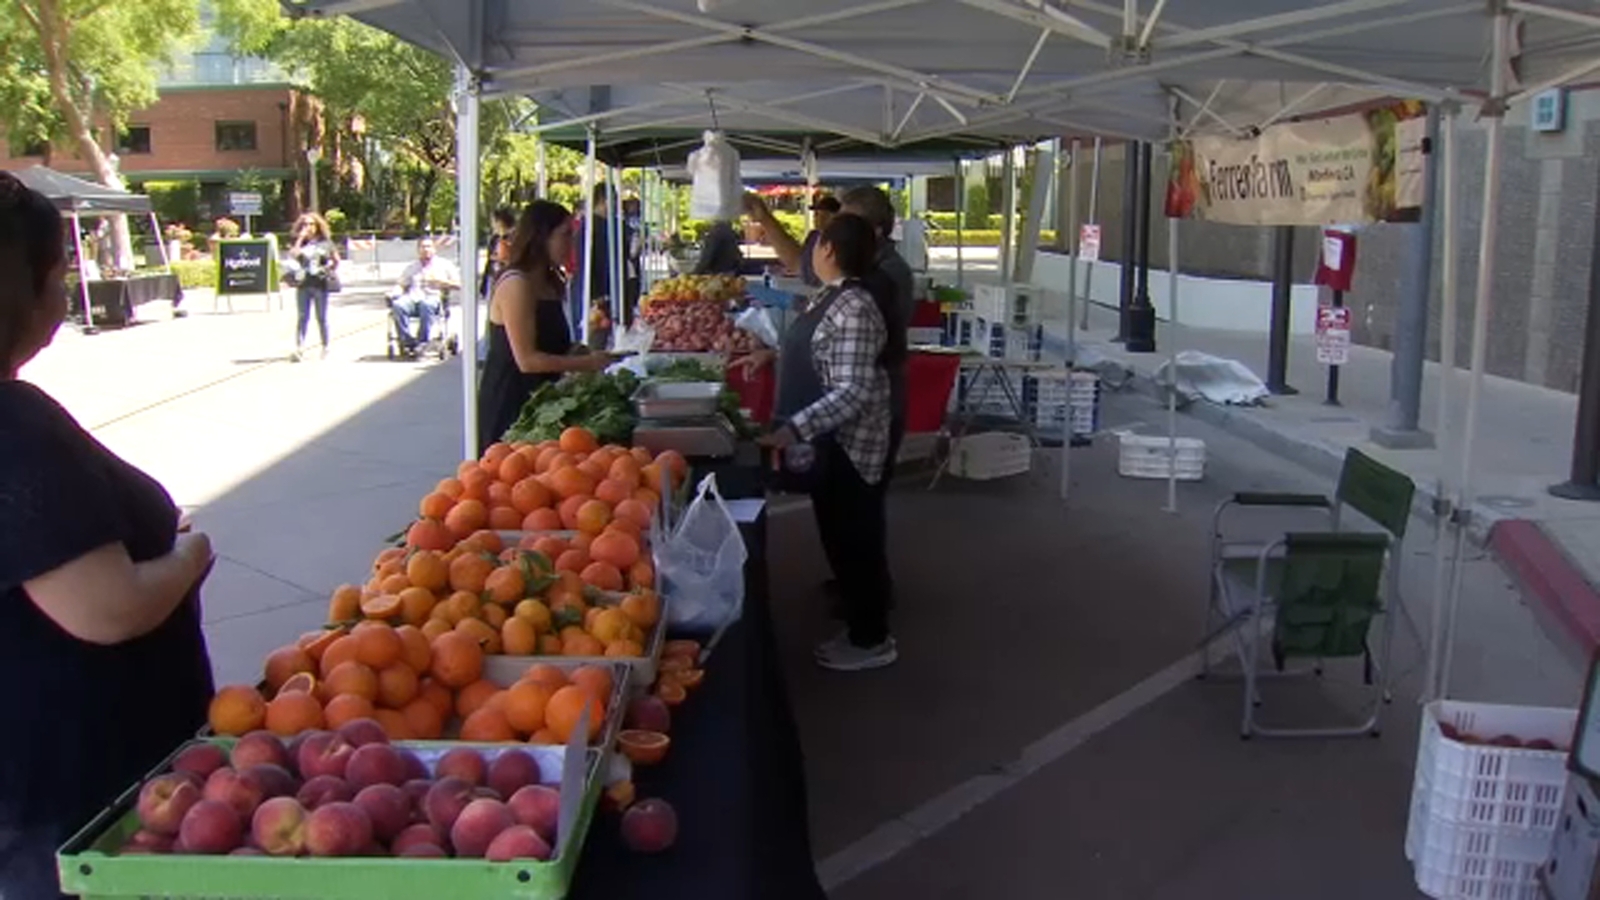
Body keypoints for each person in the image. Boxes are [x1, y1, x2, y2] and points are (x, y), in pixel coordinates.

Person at [0, 172, 216, 898]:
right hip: (80, 807)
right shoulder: (14, 426)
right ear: (27, 290)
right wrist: (188, 555)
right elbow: (108, 608)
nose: (65, 294)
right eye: (59, 275)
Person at [756, 213, 897, 671]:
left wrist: (794, 428)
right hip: (826, 443)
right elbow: (818, 352)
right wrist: (771, 354)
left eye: (815, 244)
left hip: (851, 447)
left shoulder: (854, 307)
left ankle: (871, 639)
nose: (811, 252)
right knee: (838, 538)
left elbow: (852, 390)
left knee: (856, 542)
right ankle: (859, 626)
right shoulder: (831, 296)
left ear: (830, 250)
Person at [478, 200, 617, 454]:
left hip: (541, 402)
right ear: (541, 237)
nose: (571, 243)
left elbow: (550, 342)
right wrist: (586, 363)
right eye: (565, 235)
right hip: (512, 403)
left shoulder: (550, 282)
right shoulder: (516, 284)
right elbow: (528, 360)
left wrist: (577, 351)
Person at [390, 237, 460, 357]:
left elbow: (459, 284)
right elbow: (401, 284)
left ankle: (422, 341)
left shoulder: (445, 265)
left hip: (434, 298)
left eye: (428, 246)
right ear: (418, 250)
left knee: (426, 305)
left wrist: (442, 282)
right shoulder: (412, 267)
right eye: (422, 247)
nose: (426, 249)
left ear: (434, 249)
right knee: (398, 305)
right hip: (413, 298)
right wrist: (394, 292)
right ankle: (408, 342)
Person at [286, 213, 339, 362]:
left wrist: (329, 270)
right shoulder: (300, 243)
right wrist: (300, 238)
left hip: (319, 284)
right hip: (303, 284)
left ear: (317, 226)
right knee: (302, 317)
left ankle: (326, 346)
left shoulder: (325, 243)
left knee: (321, 317)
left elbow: (336, 260)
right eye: (304, 224)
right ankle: (300, 348)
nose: (307, 227)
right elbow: (293, 255)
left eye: (311, 224)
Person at [480, 207, 517, 302]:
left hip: (507, 279)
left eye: (494, 221)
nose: (492, 225)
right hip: (493, 277)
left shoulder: (514, 237)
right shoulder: (495, 239)